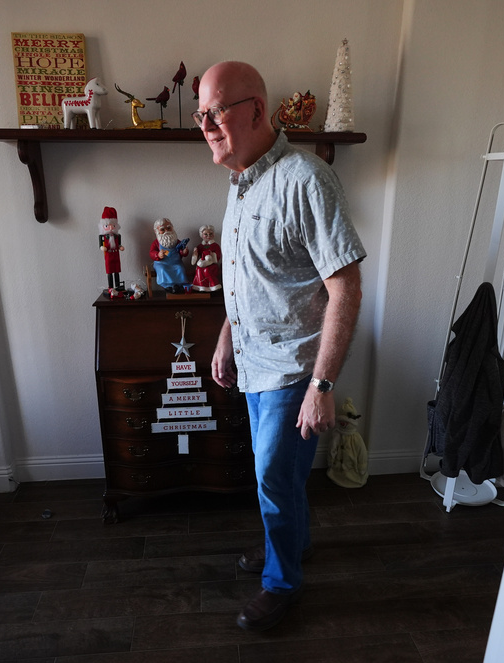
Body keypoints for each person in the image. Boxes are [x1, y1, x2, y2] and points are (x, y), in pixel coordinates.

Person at [196, 61, 366, 631]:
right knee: (281, 476)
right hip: (253, 363)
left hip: (294, 369)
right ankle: (291, 545)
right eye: (201, 115)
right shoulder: (241, 184)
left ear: (256, 110)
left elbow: (345, 287)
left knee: (272, 477)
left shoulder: (307, 179)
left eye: (216, 112)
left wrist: (322, 384)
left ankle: (282, 582)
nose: (206, 126)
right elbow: (246, 279)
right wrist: (227, 338)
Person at [148, 217, 190, 293]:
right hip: (162, 263)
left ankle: (179, 285)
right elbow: (151, 253)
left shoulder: (176, 241)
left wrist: (184, 252)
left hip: (176, 263)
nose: (166, 231)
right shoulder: (156, 243)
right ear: (156, 231)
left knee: (180, 268)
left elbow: (181, 251)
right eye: (162, 229)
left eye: (168, 228)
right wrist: (158, 255)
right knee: (163, 270)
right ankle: (168, 286)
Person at [98, 206, 124, 292]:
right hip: (108, 255)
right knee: (109, 271)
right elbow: (100, 245)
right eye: (107, 226)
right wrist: (102, 247)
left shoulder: (117, 236)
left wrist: (120, 247)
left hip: (116, 255)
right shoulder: (103, 237)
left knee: (117, 271)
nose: (110, 228)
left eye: (113, 225)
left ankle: (117, 286)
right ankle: (111, 287)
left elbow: (119, 244)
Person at [190, 224, 222, 292]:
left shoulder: (216, 246)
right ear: (202, 235)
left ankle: (213, 285)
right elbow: (194, 260)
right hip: (201, 264)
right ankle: (201, 286)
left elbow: (217, 257)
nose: (208, 236)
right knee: (199, 269)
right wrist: (195, 254)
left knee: (207, 270)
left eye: (210, 234)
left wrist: (212, 256)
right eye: (206, 234)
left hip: (212, 265)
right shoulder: (200, 246)